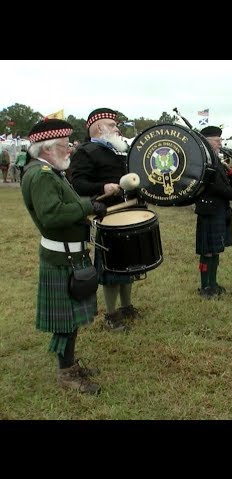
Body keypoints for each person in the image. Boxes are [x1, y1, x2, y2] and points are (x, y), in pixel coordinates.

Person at [21, 119, 107, 395]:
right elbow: (52, 215)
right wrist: (87, 206)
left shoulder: (49, 171)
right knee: (65, 321)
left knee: (69, 319)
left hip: (68, 255)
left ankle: (69, 366)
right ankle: (66, 373)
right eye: (63, 145)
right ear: (46, 149)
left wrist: (89, 206)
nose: (69, 149)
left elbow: (64, 206)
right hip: (62, 259)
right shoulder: (41, 175)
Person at [70, 108, 135, 332]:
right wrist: (102, 187)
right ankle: (111, 314)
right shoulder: (86, 151)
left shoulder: (118, 150)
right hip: (106, 215)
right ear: (99, 128)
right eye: (113, 125)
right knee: (113, 267)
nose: (117, 129)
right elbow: (77, 184)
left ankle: (127, 306)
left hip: (128, 211)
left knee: (128, 262)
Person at [195, 126, 232, 299]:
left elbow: (226, 181)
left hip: (219, 208)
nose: (220, 143)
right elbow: (215, 186)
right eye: (217, 140)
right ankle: (205, 287)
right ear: (206, 141)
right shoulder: (202, 160)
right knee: (208, 251)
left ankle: (213, 283)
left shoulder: (215, 159)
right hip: (209, 208)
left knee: (215, 249)